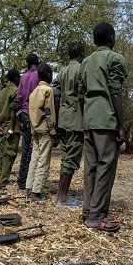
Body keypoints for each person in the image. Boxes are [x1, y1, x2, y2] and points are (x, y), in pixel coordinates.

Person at [78, 22, 127, 232]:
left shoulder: (86, 62)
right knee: (106, 167)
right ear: (112, 37)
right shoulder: (115, 59)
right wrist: (122, 124)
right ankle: (97, 216)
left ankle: (89, 210)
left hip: (88, 119)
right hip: (106, 120)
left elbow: (81, 94)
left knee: (91, 167)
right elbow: (115, 92)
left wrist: (86, 117)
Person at [53, 41, 85, 207]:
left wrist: (57, 120)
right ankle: (62, 197)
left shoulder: (62, 71)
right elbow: (81, 97)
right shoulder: (82, 69)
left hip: (63, 119)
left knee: (65, 157)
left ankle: (60, 194)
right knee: (70, 159)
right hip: (75, 120)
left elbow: (56, 97)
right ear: (81, 53)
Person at [25, 64, 58, 200]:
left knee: (34, 159)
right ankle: (37, 191)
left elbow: (31, 114)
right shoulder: (48, 90)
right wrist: (53, 131)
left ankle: (28, 187)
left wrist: (32, 132)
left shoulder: (34, 92)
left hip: (35, 130)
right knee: (43, 161)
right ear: (49, 75)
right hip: (45, 129)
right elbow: (49, 111)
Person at [16, 54, 40, 190]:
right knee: (34, 148)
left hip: (24, 115)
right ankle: (30, 182)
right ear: (38, 62)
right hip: (35, 115)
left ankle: (21, 180)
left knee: (25, 148)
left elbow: (18, 98)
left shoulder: (23, 77)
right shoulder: (39, 76)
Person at [0, 69, 21, 186]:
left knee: (1, 152)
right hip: (11, 125)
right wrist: (11, 128)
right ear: (16, 78)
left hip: (1, 125)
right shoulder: (16, 91)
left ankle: (0, 177)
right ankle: (3, 180)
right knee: (10, 153)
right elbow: (13, 109)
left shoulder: (2, 91)